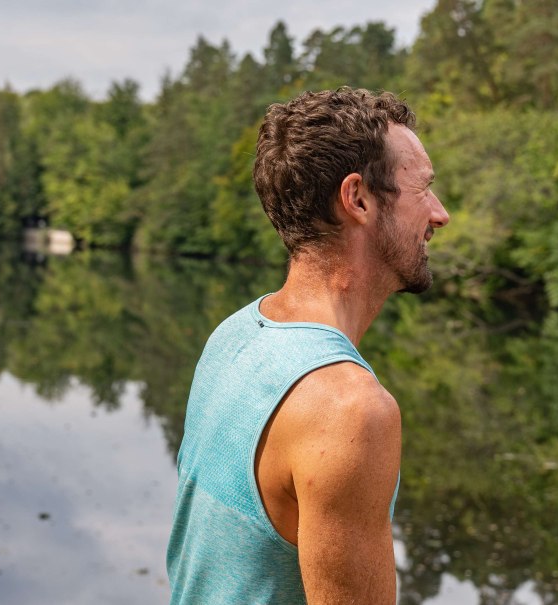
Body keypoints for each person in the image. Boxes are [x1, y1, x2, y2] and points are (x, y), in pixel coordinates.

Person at [165, 88, 449, 604]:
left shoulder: (234, 335)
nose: (440, 214)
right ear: (358, 199)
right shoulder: (350, 411)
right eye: (422, 190)